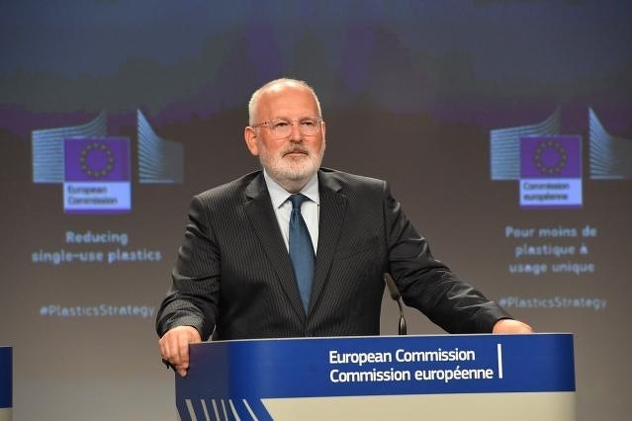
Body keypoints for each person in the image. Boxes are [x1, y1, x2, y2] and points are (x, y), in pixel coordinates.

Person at [156, 78, 532, 377]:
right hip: (256, 391)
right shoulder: (216, 211)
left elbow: (428, 281)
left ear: (323, 132)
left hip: (351, 392)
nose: (297, 136)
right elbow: (190, 296)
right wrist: (184, 327)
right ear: (253, 139)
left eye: (307, 124)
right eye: (281, 125)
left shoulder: (370, 201)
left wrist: (494, 323)